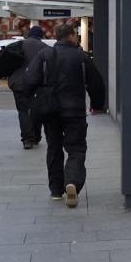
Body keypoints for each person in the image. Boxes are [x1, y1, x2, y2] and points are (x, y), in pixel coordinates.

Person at [33, 24, 105, 207]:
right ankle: (72, 182)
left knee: (54, 148)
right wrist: (97, 105)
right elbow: (96, 83)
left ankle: (56, 190)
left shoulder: (44, 55)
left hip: (51, 111)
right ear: (72, 36)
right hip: (75, 111)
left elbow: (30, 80)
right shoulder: (81, 57)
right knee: (76, 148)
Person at [8, 26, 49, 149]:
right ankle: (36, 136)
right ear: (40, 35)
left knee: (23, 111)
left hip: (19, 83)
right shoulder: (45, 48)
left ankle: (27, 139)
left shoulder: (18, 45)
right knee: (37, 110)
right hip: (37, 85)